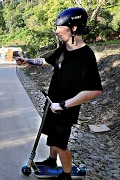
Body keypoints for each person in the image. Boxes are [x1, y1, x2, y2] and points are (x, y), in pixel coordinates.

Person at [25, 8, 103, 180]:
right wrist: (27, 61)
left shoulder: (86, 56)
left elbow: (94, 90)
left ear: (73, 28)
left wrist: (63, 105)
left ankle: (66, 175)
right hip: (52, 103)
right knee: (52, 136)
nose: (56, 31)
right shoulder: (64, 49)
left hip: (64, 108)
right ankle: (52, 161)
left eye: (59, 27)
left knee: (60, 144)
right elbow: (46, 62)